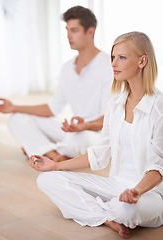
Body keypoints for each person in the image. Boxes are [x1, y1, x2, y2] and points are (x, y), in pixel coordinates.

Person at [29, 31, 163, 238]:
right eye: (112, 57)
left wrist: (136, 192)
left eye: (122, 57)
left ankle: (101, 210)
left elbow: (158, 168)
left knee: (124, 209)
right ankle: (105, 217)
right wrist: (55, 165)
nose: (114, 63)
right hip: (117, 185)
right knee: (47, 179)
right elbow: (99, 154)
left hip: (150, 194)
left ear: (142, 61)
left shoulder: (158, 108)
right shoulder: (116, 104)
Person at [0, 6, 112, 162]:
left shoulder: (109, 66)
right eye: (67, 30)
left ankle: (40, 149)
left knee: (77, 142)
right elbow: (52, 108)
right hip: (73, 130)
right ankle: (54, 155)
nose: (68, 36)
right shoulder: (68, 67)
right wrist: (14, 107)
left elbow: (109, 119)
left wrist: (84, 126)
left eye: (74, 30)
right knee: (16, 119)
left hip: (95, 134)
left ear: (90, 32)